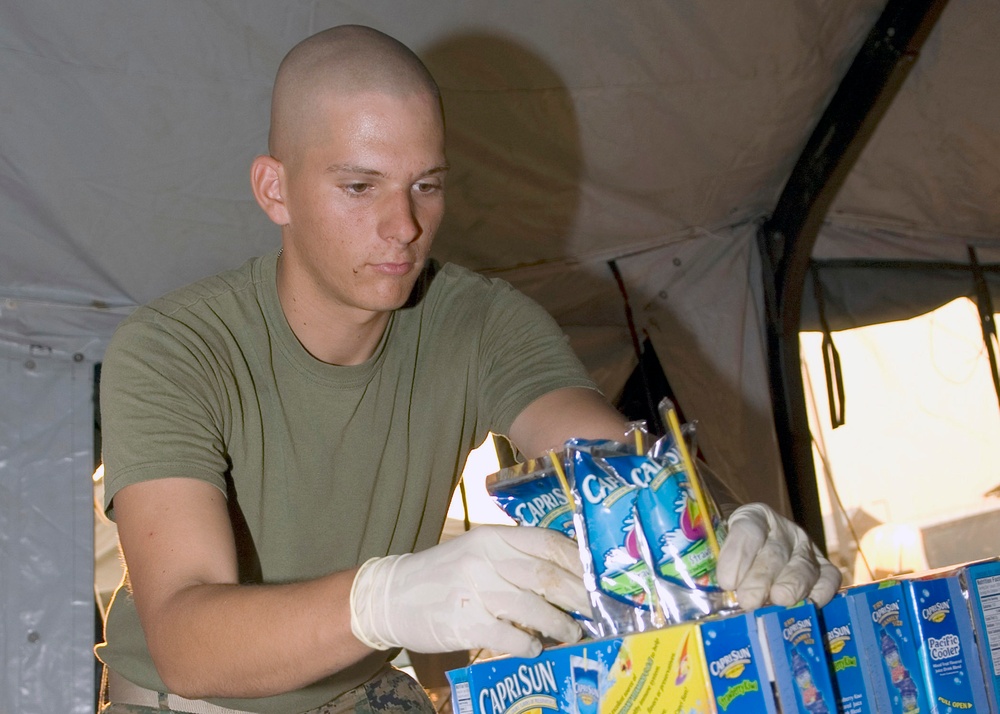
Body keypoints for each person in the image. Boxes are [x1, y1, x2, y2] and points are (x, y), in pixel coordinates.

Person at [95, 24, 841, 714]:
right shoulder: (172, 348)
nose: (405, 226)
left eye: (428, 184)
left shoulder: (477, 320)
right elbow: (185, 638)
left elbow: (619, 468)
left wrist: (730, 528)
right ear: (275, 189)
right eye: (361, 187)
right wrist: (381, 599)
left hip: (355, 695)